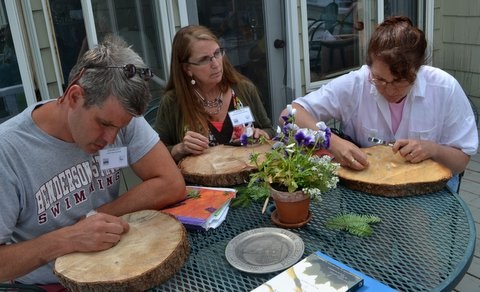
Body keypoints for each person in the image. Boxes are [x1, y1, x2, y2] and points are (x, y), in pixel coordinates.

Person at [0, 35, 185, 287]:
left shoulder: (119, 114)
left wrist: (97, 216)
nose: (110, 139)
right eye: (104, 124)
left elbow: (171, 183)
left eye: (119, 128)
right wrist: (69, 238)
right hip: (48, 283)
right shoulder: (7, 150)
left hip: (117, 264)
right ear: (74, 96)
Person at [286, 16, 478, 191]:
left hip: (427, 190)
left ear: (418, 70)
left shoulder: (444, 88)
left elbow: (461, 161)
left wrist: (433, 150)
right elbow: (290, 114)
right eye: (379, 79)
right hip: (366, 188)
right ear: (370, 66)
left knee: (416, 223)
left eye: (400, 81)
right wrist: (331, 141)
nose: (389, 90)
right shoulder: (357, 83)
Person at [155, 25, 274, 162]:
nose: (216, 64)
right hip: (199, 182)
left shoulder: (244, 89)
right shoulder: (173, 102)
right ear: (187, 68)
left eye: (217, 53)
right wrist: (180, 149)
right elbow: (157, 154)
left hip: (251, 179)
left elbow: (268, 129)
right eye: (205, 59)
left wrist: (261, 134)